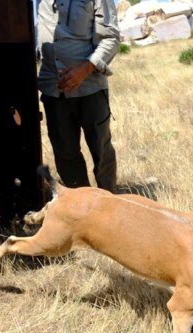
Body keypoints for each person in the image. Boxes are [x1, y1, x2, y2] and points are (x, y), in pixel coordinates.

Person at [37, 0, 121, 192]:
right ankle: (80, 205)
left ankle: (109, 203)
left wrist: (85, 69)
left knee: (101, 150)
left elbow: (111, 38)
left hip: (90, 88)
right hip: (53, 89)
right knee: (65, 153)